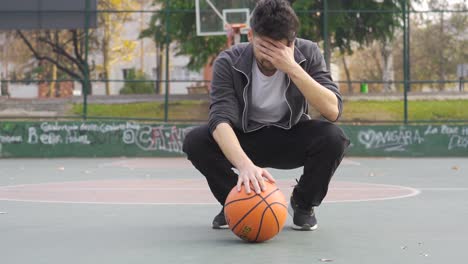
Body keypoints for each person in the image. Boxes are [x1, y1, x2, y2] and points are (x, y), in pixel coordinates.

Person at [183, 0, 350, 231]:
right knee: (196, 141)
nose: (270, 57)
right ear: (251, 35)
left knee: (334, 138)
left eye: (278, 48)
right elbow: (219, 118)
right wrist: (244, 165)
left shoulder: (308, 52)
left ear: (291, 43)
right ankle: (235, 200)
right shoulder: (229, 61)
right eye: (264, 47)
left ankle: (302, 204)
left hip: (290, 136)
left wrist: (292, 67)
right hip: (246, 138)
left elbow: (333, 110)